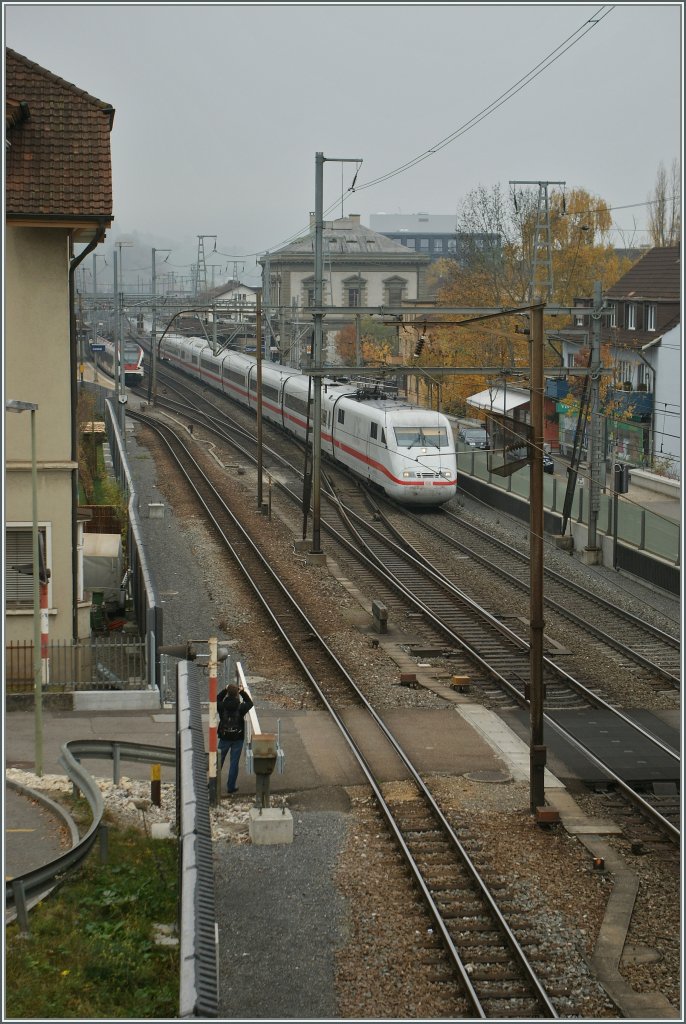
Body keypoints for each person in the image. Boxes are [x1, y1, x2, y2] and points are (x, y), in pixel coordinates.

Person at [217, 682, 253, 795]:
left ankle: (212, 783)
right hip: (237, 738)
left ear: (228, 693)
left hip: (224, 737)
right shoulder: (241, 707)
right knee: (234, 763)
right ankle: (231, 786)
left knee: (218, 761)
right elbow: (250, 703)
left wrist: (225, 689)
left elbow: (217, 698)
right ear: (237, 694)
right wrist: (242, 691)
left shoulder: (221, 706)